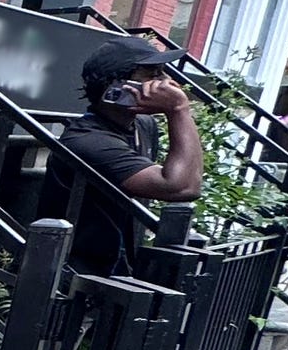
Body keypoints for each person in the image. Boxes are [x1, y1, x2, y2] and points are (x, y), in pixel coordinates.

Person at [42, 36, 203, 277]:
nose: (167, 83)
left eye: (163, 73)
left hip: (119, 268)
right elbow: (181, 187)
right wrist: (178, 109)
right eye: (153, 75)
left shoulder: (144, 125)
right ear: (116, 88)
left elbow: (189, 178)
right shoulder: (88, 141)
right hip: (76, 277)